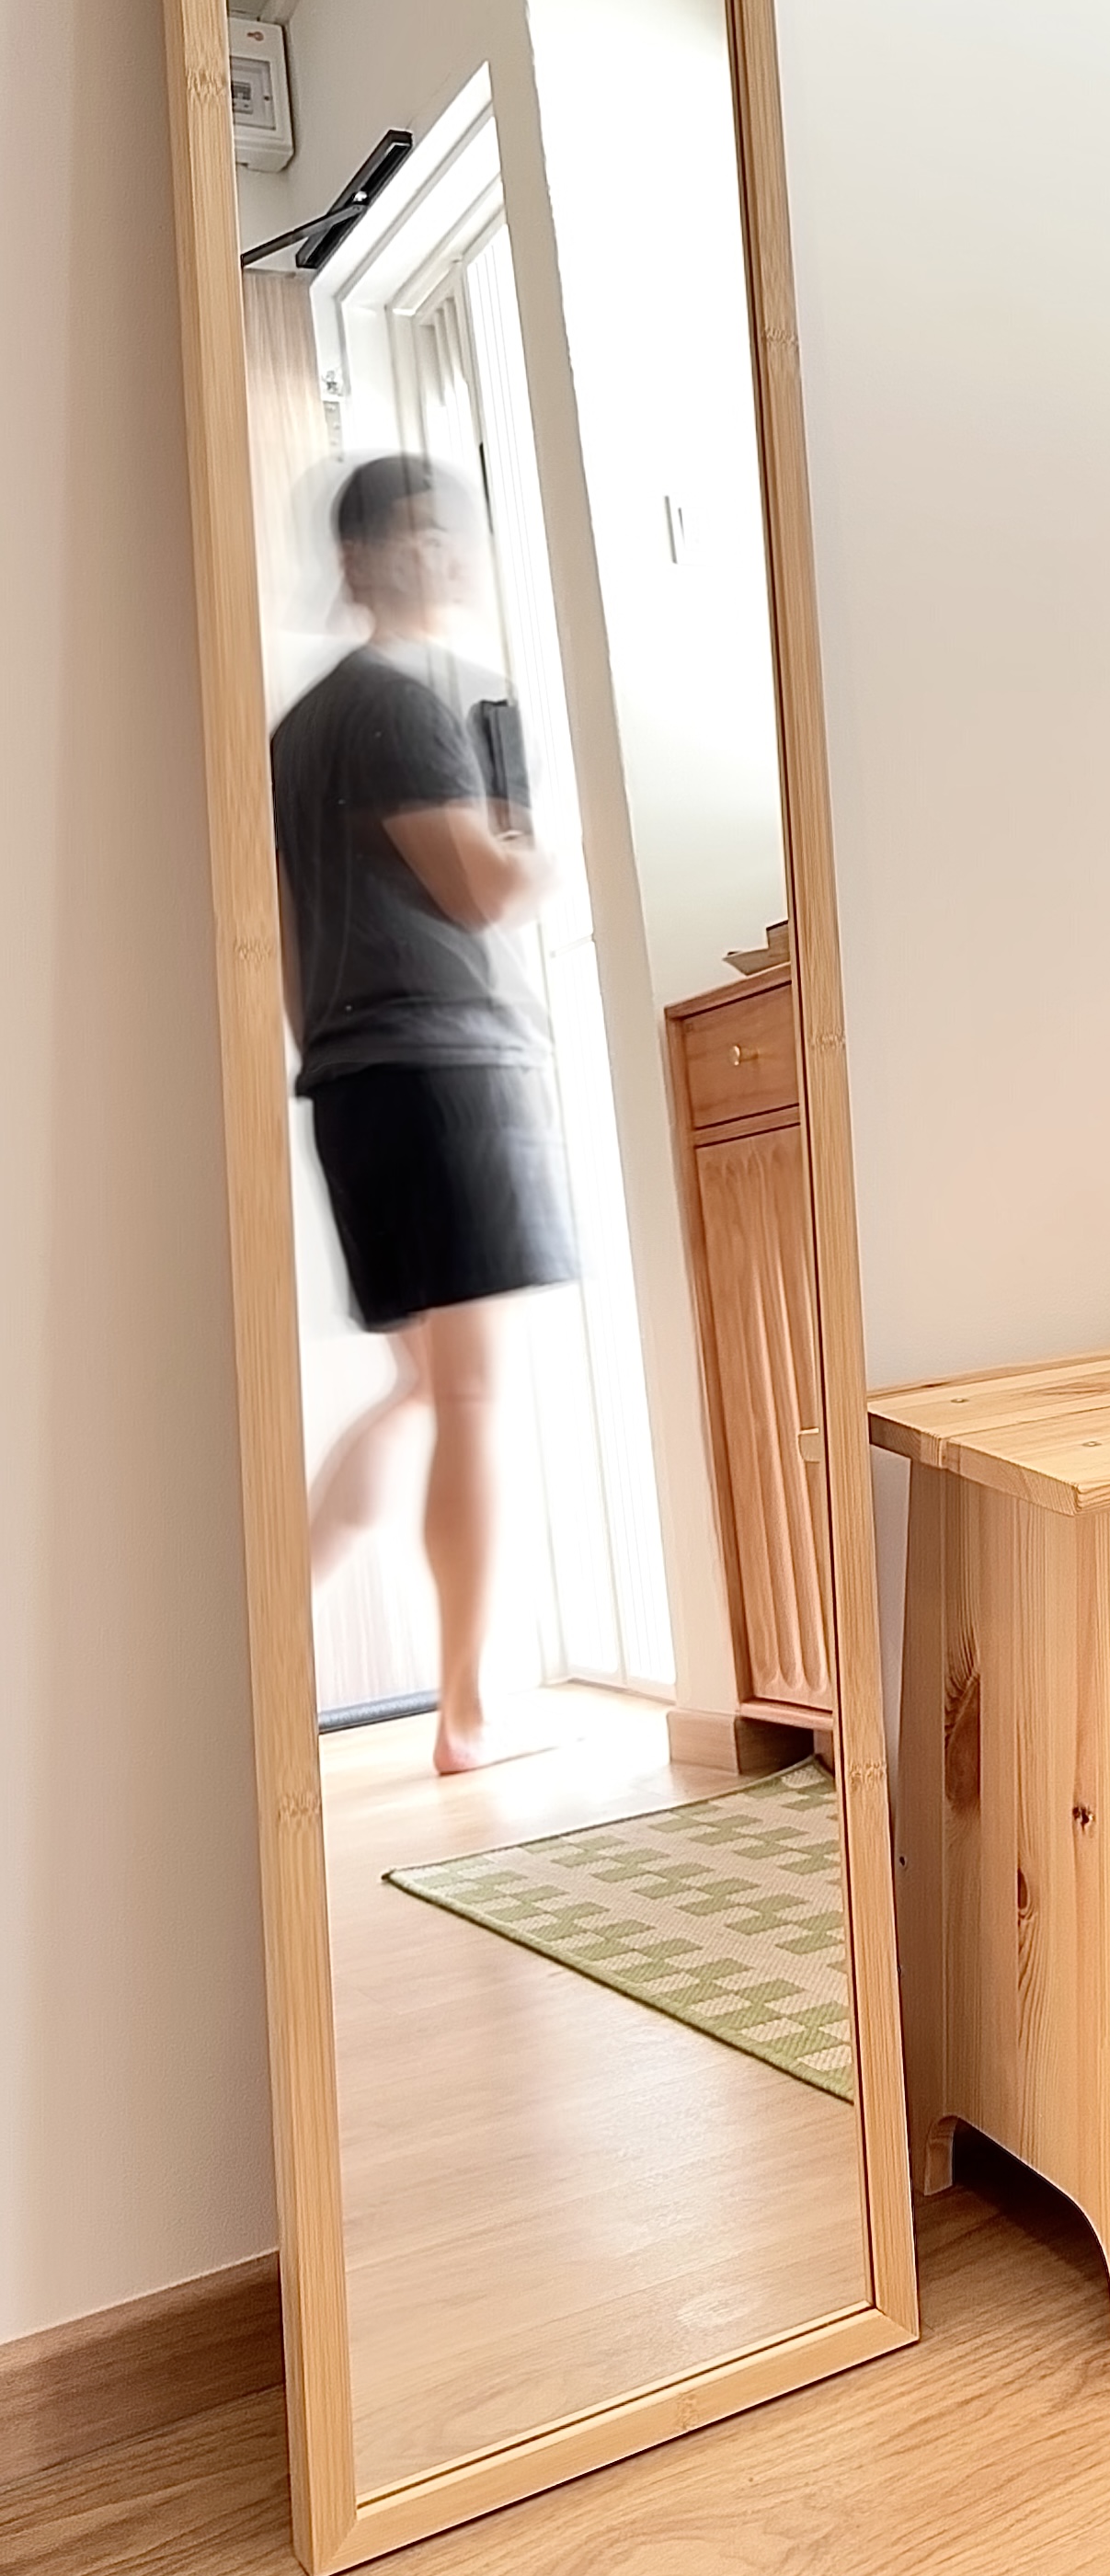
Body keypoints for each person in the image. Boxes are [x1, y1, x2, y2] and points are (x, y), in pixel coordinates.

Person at [271, 452, 576, 1774]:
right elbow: (484, 890)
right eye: (433, 535)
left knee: (415, 1384)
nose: (449, 556)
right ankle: (468, 1711)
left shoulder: (294, 732)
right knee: (473, 1392)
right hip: (448, 1071)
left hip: (350, 1079)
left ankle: (268, 1649)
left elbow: (285, 944)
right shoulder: (400, 707)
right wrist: (544, 838)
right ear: (382, 558)